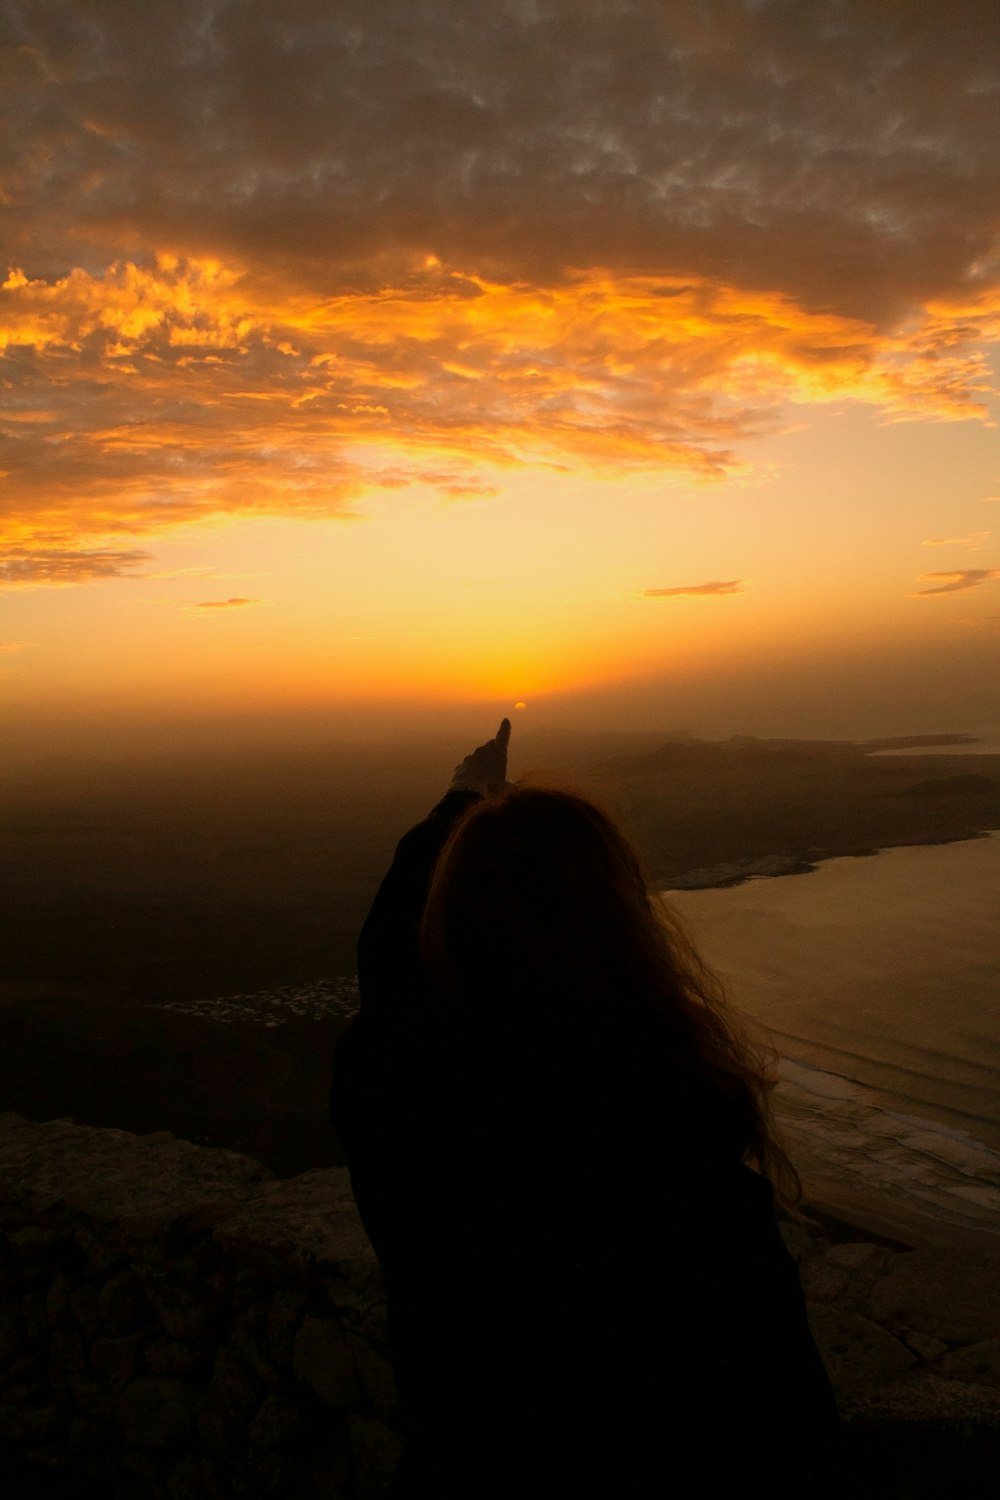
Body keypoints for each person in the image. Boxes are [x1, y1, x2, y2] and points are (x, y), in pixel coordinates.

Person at [331, 720, 841, 1497]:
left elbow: (389, 961)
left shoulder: (401, 1100)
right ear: (621, 927)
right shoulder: (664, 1145)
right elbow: (784, 1422)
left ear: (449, 927)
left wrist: (458, 808)